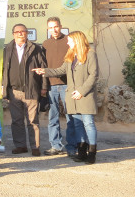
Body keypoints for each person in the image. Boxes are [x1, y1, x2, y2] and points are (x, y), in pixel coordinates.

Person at [33, 31, 98, 164]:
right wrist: (44, 71)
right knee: (78, 125)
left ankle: (91, 153)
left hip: (84, 96)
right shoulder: (70, 55)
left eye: (70, 40)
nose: (67, 43)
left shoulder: (90, 54)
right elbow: (60, 71)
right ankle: (81, 152)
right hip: (73, 97)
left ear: (77, 40)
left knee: (89, 124)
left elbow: (94, 75)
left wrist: (81, 91)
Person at [2, 23, 47, 156]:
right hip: (14, 91)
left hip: (31, 90)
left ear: (27, 33)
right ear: (13, 34)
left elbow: (43, 68)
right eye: (17, 32)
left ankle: (35, 146)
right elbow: (3, 70)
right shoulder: (7, 49)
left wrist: (44, 87)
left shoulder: (36, 49)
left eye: (23, 31)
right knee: (17, 121)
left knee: (33, 121)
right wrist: (4, 88)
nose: (20, 33)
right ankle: (20, 146)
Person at [42, 17, 75, 156]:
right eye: (51, 27)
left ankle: (72, 146)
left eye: (56, 26)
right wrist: (44, 86)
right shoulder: (45, 44)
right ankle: (56, 146)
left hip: (67, 84)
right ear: (48, 29)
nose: (54, 30)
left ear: (60, 26)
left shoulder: (69, 41)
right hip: (51, 86)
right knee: (53, 117)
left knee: (71, 117)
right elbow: (43, 66)